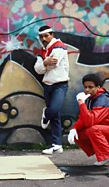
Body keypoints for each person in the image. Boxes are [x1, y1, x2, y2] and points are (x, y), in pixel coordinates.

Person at [67, 73, 109, 177]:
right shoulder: (91, 99)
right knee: (79, 134)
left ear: (98, 87)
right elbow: (84, 118)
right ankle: (104, 155)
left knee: (93, 129)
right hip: (108, 130)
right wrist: (74, 129)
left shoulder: (102, 100)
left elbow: (90, 121)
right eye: (85, 87)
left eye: (90, 87)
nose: (87, 90)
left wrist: (81, 103)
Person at [34, 25, 70, 154]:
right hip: (47, 85)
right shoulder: (42, 51)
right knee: (55, 116)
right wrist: (45, 63)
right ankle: (57, 144)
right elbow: (37, 69)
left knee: (53, 109)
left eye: (46, 36)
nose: (44, 38)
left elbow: (54, 62)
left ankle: (46, 114)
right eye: (41, 37)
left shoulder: (59, 46)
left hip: (60, 84)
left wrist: (44, 64)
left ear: (52, 35)